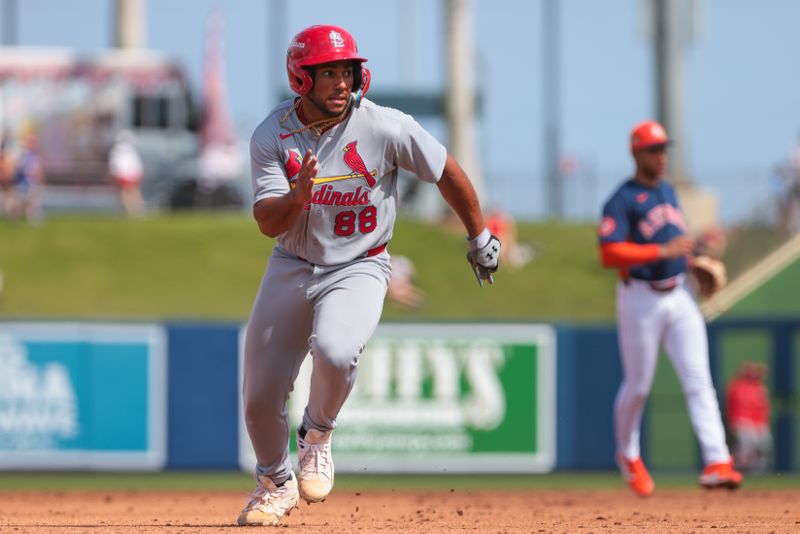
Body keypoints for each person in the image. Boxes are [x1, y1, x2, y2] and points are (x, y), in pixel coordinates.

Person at [237, 25, 500, 527]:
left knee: (336, 350)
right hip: (291, 262)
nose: (341, 81)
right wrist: (298, 196)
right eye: (329, 72)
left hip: (360, 262)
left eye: (347, 71)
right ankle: (274, 484)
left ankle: (316, 434)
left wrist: (478, 235)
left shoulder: (384, 126)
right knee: (258, 396)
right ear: (301, 78)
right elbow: (267, 220)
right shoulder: (272, 135)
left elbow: (446, 170)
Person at [597, 120, 742, 497]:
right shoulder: (622, 199)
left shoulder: (667, 192)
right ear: (636, 153)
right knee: (639, 386)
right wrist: (662, 252)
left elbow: (675, 241)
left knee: (699, 381)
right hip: (639, 297)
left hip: (680, 294)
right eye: (654, 150)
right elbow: (609, 251)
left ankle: (717, 460)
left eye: (664, 149)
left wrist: (698, 248)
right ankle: (628, 454)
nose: (661, 156)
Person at [726, 361, 773, 473]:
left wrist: (764, 423)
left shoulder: (759, 387)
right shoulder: (736, 386)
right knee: (745, 448)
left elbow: (765, 409)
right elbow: (732, 406)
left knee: (765, 447)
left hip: (759, 423)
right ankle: (738, 469)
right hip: (743, 422)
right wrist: (733, 422)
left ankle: (759, 470)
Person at [108, 130, 145, 217]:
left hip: (126, 174)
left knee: (127, 193)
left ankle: (131, 210)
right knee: (132, 192)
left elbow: (115, 164)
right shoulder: (128, 150)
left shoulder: (118, 151)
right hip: (129, 174)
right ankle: (134, 210)